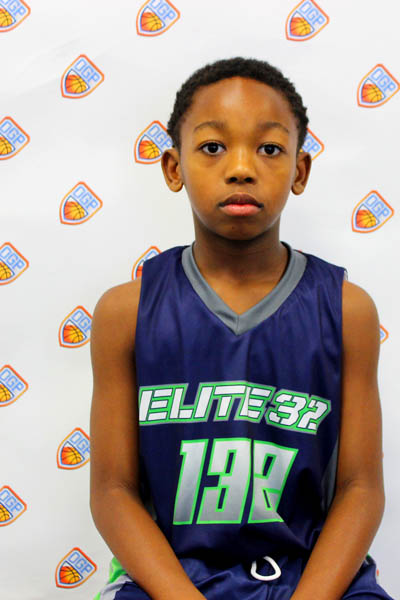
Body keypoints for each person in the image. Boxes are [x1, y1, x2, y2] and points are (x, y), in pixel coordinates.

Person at [89, 57, 393, 600]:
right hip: (170, 582)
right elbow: (113, 490)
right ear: (173, 167)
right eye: (212, 147)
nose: (241, 168)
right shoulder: (124, 313)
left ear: (300, 171)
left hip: (312, 579)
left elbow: (360, 488)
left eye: (269, 149)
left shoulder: (347, 310)